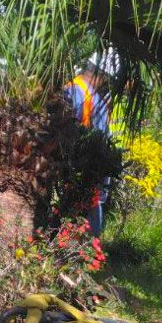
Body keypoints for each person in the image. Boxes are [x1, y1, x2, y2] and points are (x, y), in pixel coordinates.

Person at [63, 54, 113, 235]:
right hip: (83, 164)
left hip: (88, 163)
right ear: (101, 75)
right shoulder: (79, 91)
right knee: (86, 207)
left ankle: (85, 248)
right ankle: (86, 249)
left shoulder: (82, 89)